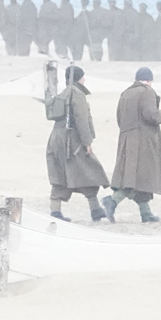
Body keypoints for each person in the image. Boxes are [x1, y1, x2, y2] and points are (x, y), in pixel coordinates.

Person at [45, 65, 112, 222]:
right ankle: (95, 209)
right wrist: (87, 142)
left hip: (57, 139)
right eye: (83, 76)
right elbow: (82, 120)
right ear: (79, 78)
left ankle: (57, 212)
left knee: (61, 175)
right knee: (89, 171)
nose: (85, 79)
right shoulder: (77, 94)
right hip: (72, 140)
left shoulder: (64, 93)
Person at [104, 66, 161, 223]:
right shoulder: (147, 91)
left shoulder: (126, 93)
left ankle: (146, 213)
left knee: (135, 177)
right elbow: (150, 114)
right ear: (148, 80)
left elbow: (119, 117)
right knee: (138, 177)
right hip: (143, 141)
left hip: (126, 139)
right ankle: (112, 201)